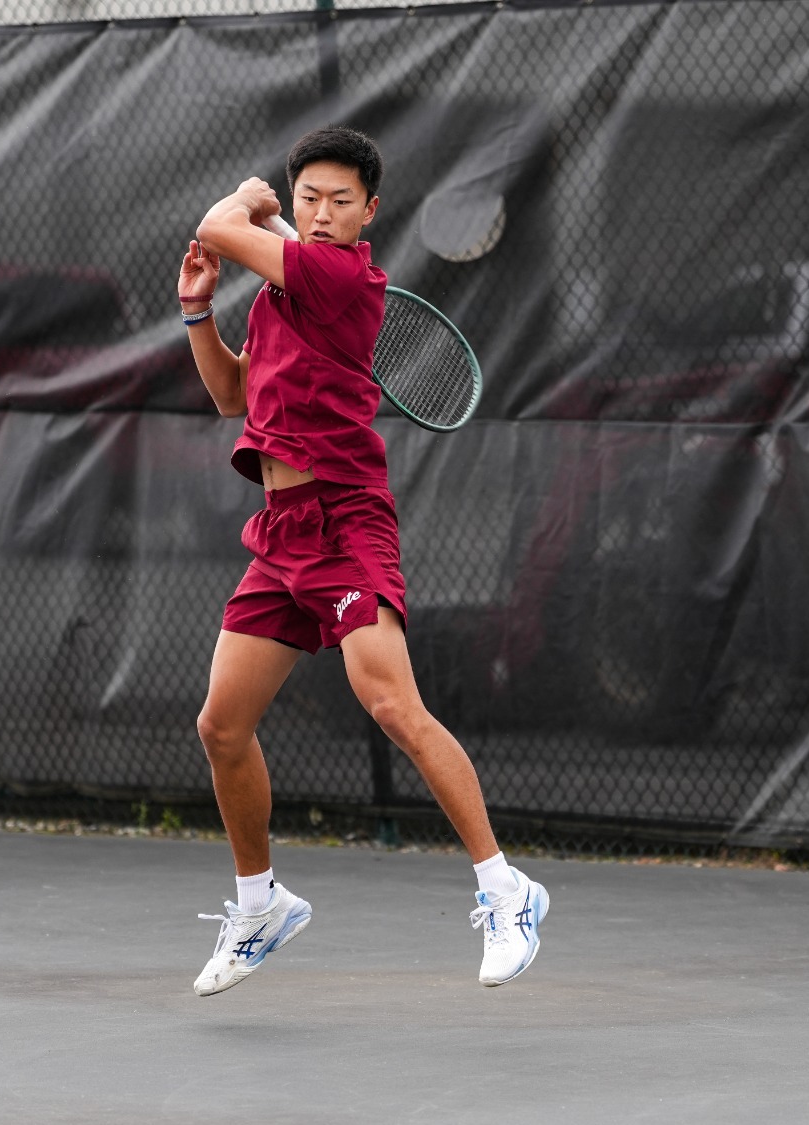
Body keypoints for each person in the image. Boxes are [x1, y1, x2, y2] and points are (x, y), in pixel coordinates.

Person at [176, 126, 548, 995]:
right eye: (308, 198)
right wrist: (199, 310)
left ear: (369, 213)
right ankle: (261, 902)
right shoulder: (278, 294)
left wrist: (247, 199)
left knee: (388, 701)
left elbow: (220, 222)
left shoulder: (337, 275)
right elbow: (234, 393)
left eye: (341, 201)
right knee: (221, 725)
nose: (322, 213)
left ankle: (508, 889)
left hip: (345, 523)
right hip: (280, 535)